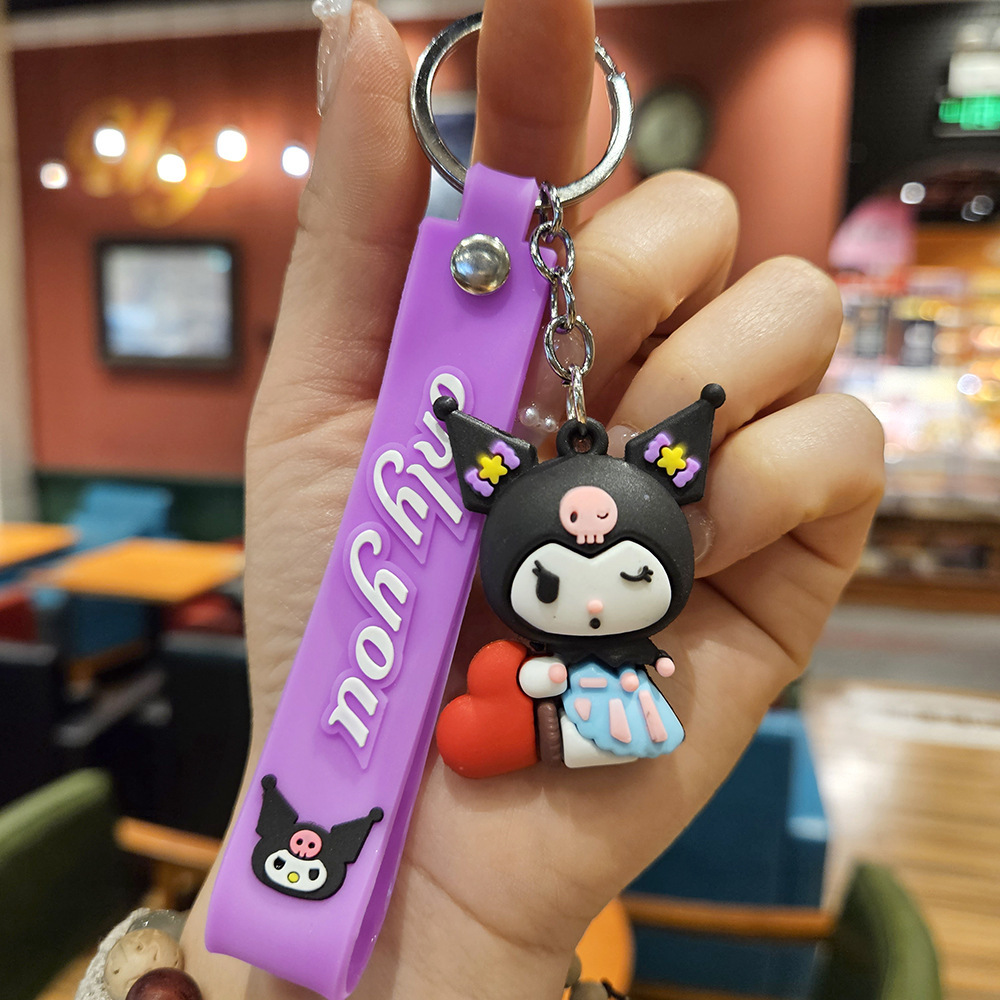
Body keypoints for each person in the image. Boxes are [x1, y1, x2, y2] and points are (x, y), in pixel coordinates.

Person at [178, 0, 885, 997]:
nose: (593, 595)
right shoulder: (467, 492)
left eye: (627, 574)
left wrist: (480, 950)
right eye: (558, 580)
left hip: (587, 720)